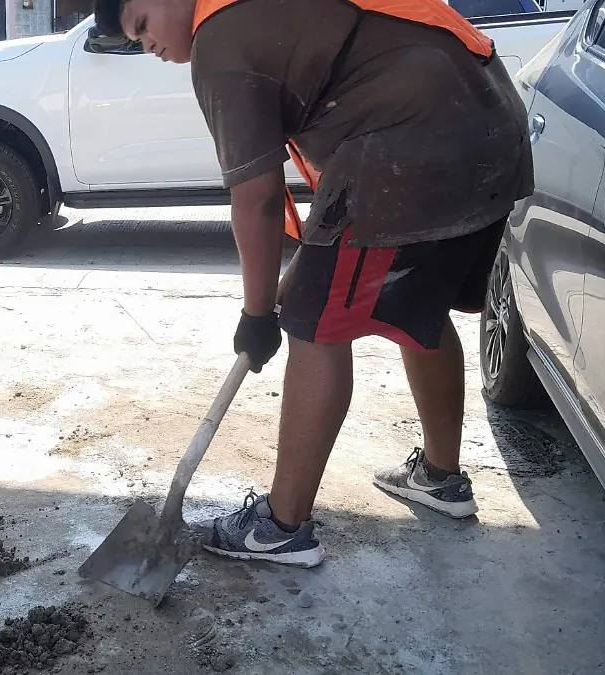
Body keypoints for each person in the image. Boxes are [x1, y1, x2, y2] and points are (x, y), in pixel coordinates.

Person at [92, 0, 533, 566]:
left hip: (407, 147)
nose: (147, 46)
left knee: (314, 327)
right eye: (135, 41)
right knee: (418, 302)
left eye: (142, 26)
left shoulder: (218, 42)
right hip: (488, 126)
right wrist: (291, 278)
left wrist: (257, 315)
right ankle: (441, 479)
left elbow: (257, 199)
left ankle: (282, 526)